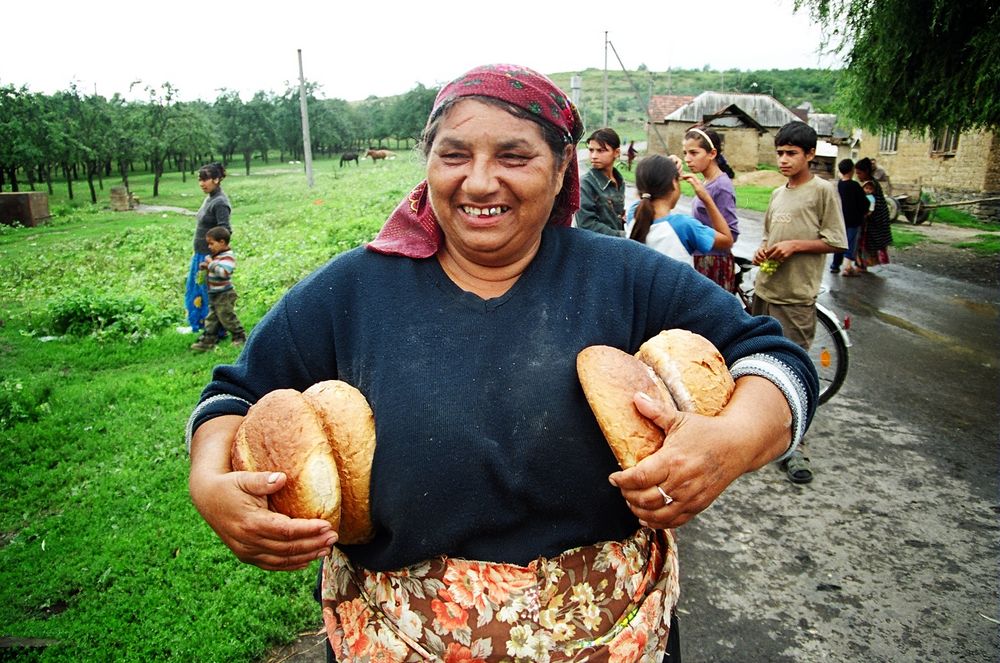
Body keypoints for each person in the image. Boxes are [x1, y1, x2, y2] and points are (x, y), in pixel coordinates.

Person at [186, 64, 818, 662]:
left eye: (514, 156)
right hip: (395, 637)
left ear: (562, 163)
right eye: (454, 154)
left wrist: (731, 443)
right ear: (428, 160)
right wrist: (209, 485)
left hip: (613, 635)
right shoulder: (352, 290)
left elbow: (777, 358)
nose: (480, 181)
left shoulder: (622, 277)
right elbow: (234, 396)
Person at [752, 121, 847, 484]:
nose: (784, 160)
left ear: (810, 154)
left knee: (793, 369)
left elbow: (837, 240)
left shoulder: (823, 191)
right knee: (759, 359)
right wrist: (765, 249)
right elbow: (768, 234)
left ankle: (796, 446)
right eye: (780, 153)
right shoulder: (777, 194)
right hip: (767, 288)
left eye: (792, 153)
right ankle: (760, 429)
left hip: (795, 295)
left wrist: (795, 246)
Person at [625, 154, 734, 265]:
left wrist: (662, 167)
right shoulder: (684, 226)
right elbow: (727, 240)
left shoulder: (633, 215)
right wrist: (706, 199)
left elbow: (644, 194)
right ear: (674, 183)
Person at [682, 127, 741, 291]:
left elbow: (731, 234)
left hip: (714, 262)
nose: (687, 159)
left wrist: (695, 234)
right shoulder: (706, 182)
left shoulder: (721, 186)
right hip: (701, 258)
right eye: (685, 153)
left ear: (712, 154)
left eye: (694, 153)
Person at [186, 162, 232, 334]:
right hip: (200, 255)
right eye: (200, 179)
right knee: (197, 291)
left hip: (209, 257)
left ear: (217, 179)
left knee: (210, 294)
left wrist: (216, 256)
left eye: (206, 179)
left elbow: (225, 230)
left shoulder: (220, 202)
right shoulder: (210, 198)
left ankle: (216, 330)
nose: (202, 183)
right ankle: (199, 325)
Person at [190, 226, 246, 351]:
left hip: (224, 294)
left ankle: (239, 336)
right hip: (214, 293)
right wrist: (206, 267)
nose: (209, 247)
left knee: (226, 316)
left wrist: (211, 264)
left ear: (222, 242)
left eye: (211, 243)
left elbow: (224, 272)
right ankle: (208, 340)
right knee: (211, 318)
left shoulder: (228, 256)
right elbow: (215, 269)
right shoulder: (217, 256)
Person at [577, 127, 626, 236]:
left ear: (616, 152)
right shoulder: (586, 184)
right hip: (595, 247)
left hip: (617, 247)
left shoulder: (619, 181)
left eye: (601, 151)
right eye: (591, 150)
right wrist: (621, 235)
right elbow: (586, 224)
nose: (594, 156)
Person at [830, 159, 869, 276]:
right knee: (851, 243)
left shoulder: (839, 185)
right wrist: (865, 211)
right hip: (853, 220)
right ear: (852, 170)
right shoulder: (855, 186)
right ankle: (847, 267)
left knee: (839, 243)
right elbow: (864, 203)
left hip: (840, 219)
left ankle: (835, 265)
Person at [854, 157, 893, 270]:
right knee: (864, 243)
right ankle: (862, 264)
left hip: (873, 220)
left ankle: (862, 264)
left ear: (866, 172)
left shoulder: (870, 185)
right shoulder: (871, 183)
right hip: (871, 219)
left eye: (859, 173)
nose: (858, 176)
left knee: (865, 243)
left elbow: (872, 203)